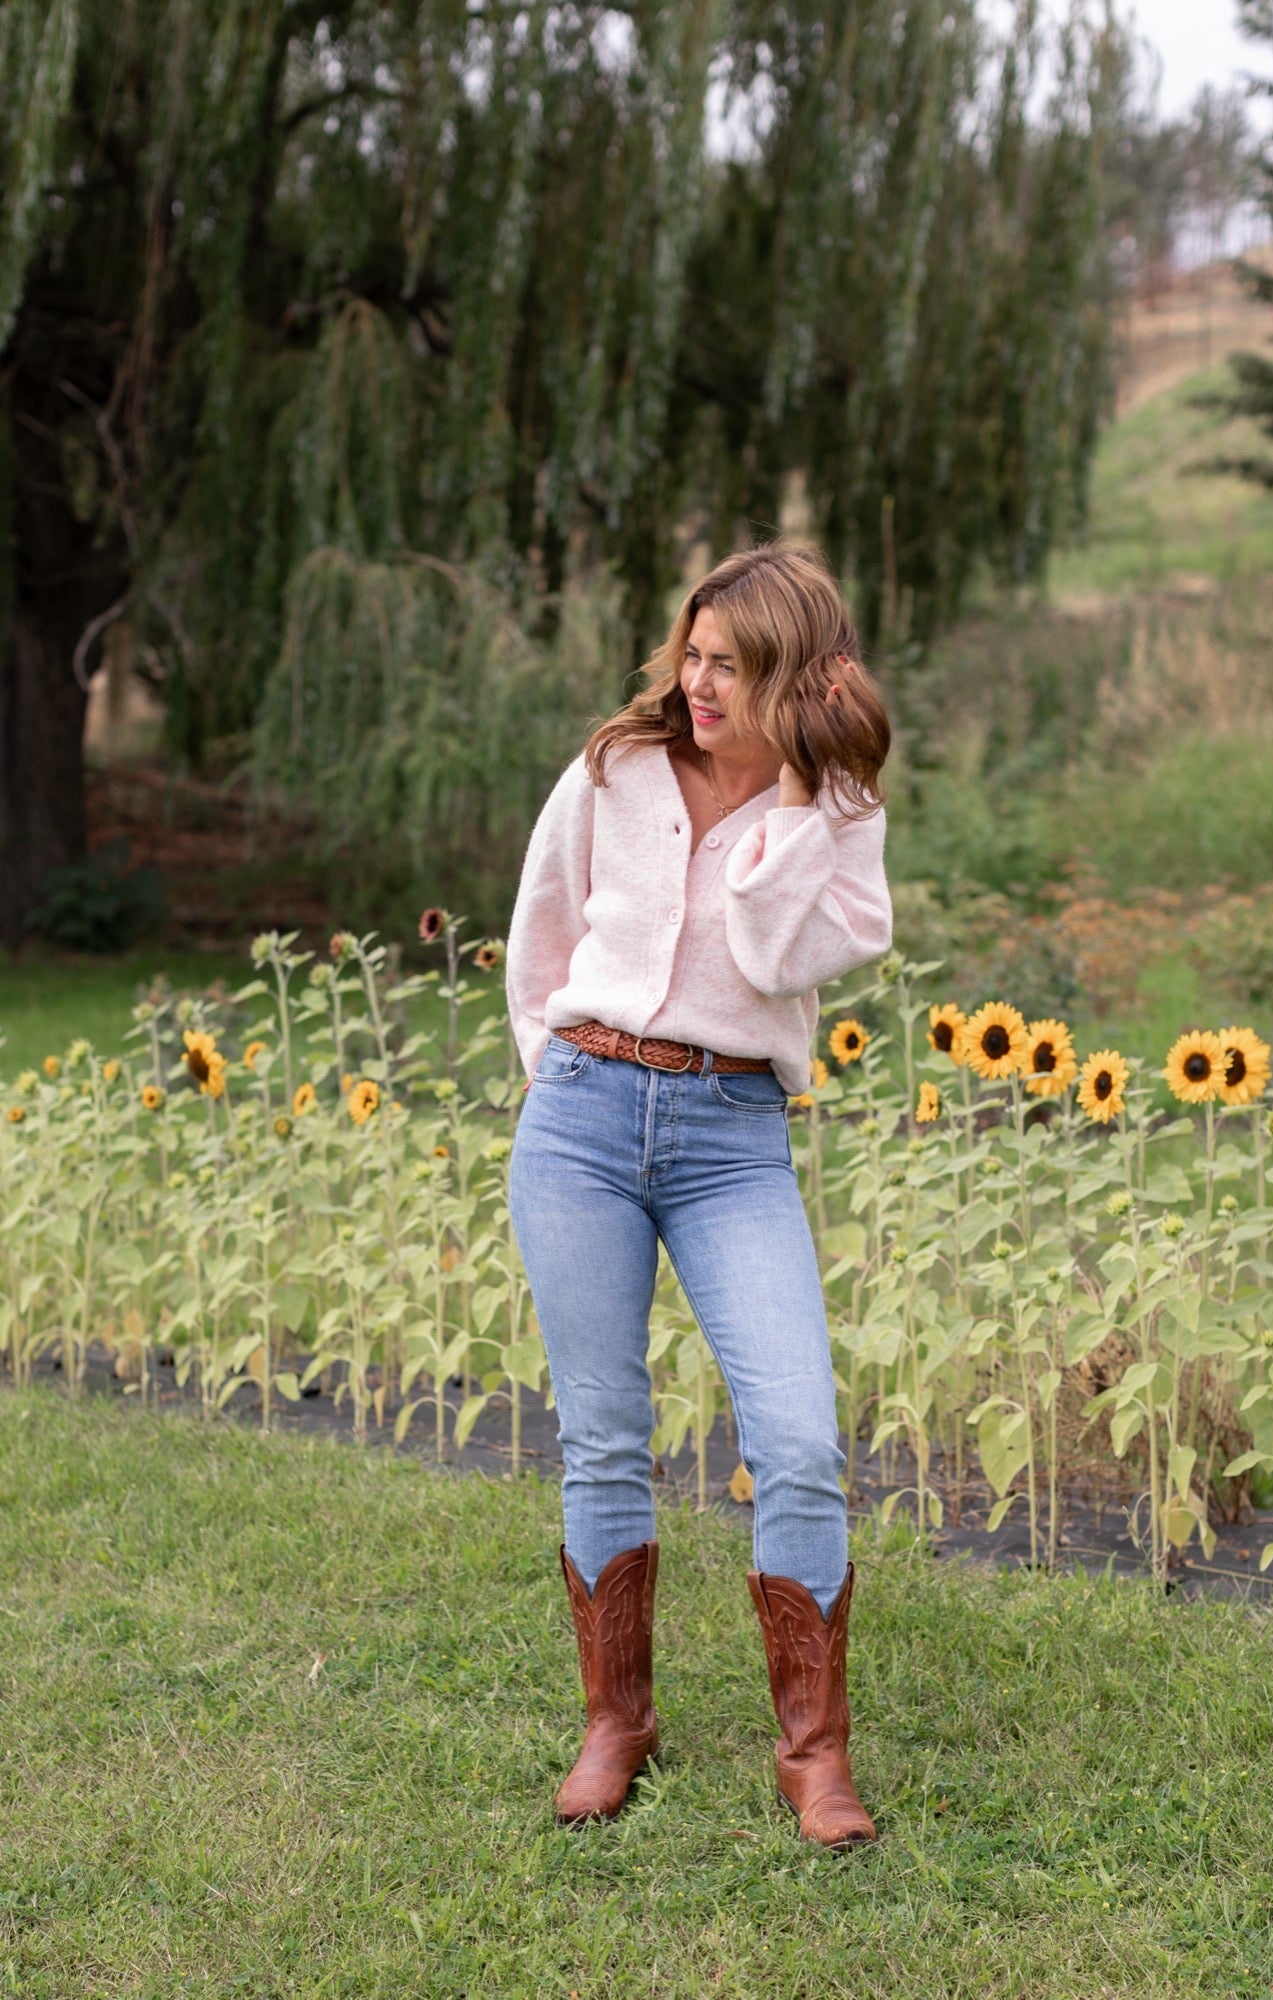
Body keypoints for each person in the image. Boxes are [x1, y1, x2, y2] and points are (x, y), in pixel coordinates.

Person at [505, 540, 893, 1849]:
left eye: (733, 663)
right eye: (694, 651)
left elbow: (777, 952)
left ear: (792, 673)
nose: (699, 680)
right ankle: (617, 1721)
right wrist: (561, 1081)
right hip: (583, 1117)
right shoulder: (611, 771)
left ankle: (814, 1754)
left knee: (796, 1441)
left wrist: (792, 797)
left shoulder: (836, 813)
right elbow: (538, 944)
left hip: (733, 1134)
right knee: (606, 1435)